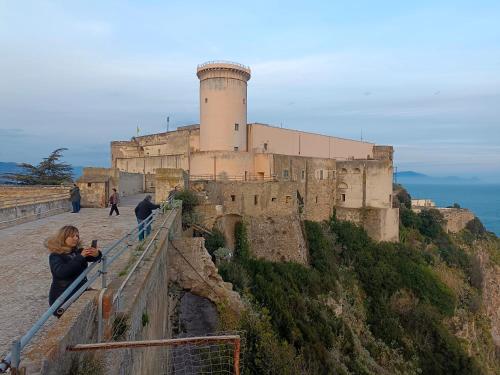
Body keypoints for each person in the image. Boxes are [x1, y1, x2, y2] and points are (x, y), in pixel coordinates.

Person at [46, 225, 101, 317]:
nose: (76, 238)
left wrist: (96, 254)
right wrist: (81, 257)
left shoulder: (76, 251)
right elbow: (62, 272)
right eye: (72, 236)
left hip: (78, 292)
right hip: (63, 298)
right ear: (63, 238)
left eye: (77, 236)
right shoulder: (55, 256)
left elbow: (93, 258)